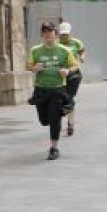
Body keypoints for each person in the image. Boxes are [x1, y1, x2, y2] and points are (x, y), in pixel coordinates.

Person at [27, 22, 79, 160]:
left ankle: (54, 148)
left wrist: (67, 71)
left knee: (54, 120)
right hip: (41, 89)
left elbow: (75, 65)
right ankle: (55, 115)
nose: (48, 35)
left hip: (57, 89)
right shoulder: (35, 50)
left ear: (55, 34)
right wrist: (34, 68)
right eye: (45, 32)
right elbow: (29, 65)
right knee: (44, 120)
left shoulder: (64, 50)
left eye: (50, 32)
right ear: (42, 35)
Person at [58, 22, 85, 136]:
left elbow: (82, 51)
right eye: (62, 34)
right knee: (60, 99)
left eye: (66, 34)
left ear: (69, 33)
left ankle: (70, 124)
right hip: (60, 75)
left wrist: (82, 57)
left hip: (73, 74)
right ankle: (59, 121)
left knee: (70, 98)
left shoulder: (76, 42)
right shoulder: (56, 44)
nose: (64, 36)